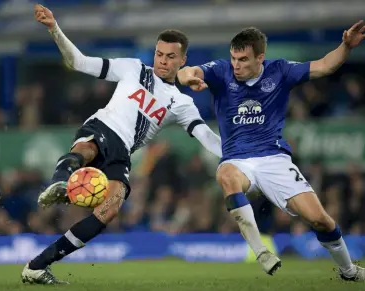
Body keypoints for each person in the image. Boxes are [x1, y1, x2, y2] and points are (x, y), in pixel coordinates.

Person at [22, 4, 223, 284]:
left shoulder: (182, 103)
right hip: (102, 127)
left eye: (170, 56)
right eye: (159, 53)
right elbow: (78, 62)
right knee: (87, 150)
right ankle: (60, 181)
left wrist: (235, 156)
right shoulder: (133, 68)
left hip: (122, 152)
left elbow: (205, 136)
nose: (163, 61)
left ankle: (37, 265)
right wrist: (54, 28)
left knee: (109, 210)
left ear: (183, 60)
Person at [177, 21, 365, 282]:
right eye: (234, 58)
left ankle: (350, 271)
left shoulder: (281, 71)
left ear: (260, 57)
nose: (236, 65)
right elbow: (188, 71)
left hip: (274, 159)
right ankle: (261, 251)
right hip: (237, 159)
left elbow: (324, 66)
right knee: (226, 176)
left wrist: (345, 46)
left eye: (243, 59)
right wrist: (186, 76)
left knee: (321, 220)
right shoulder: (221, 71)